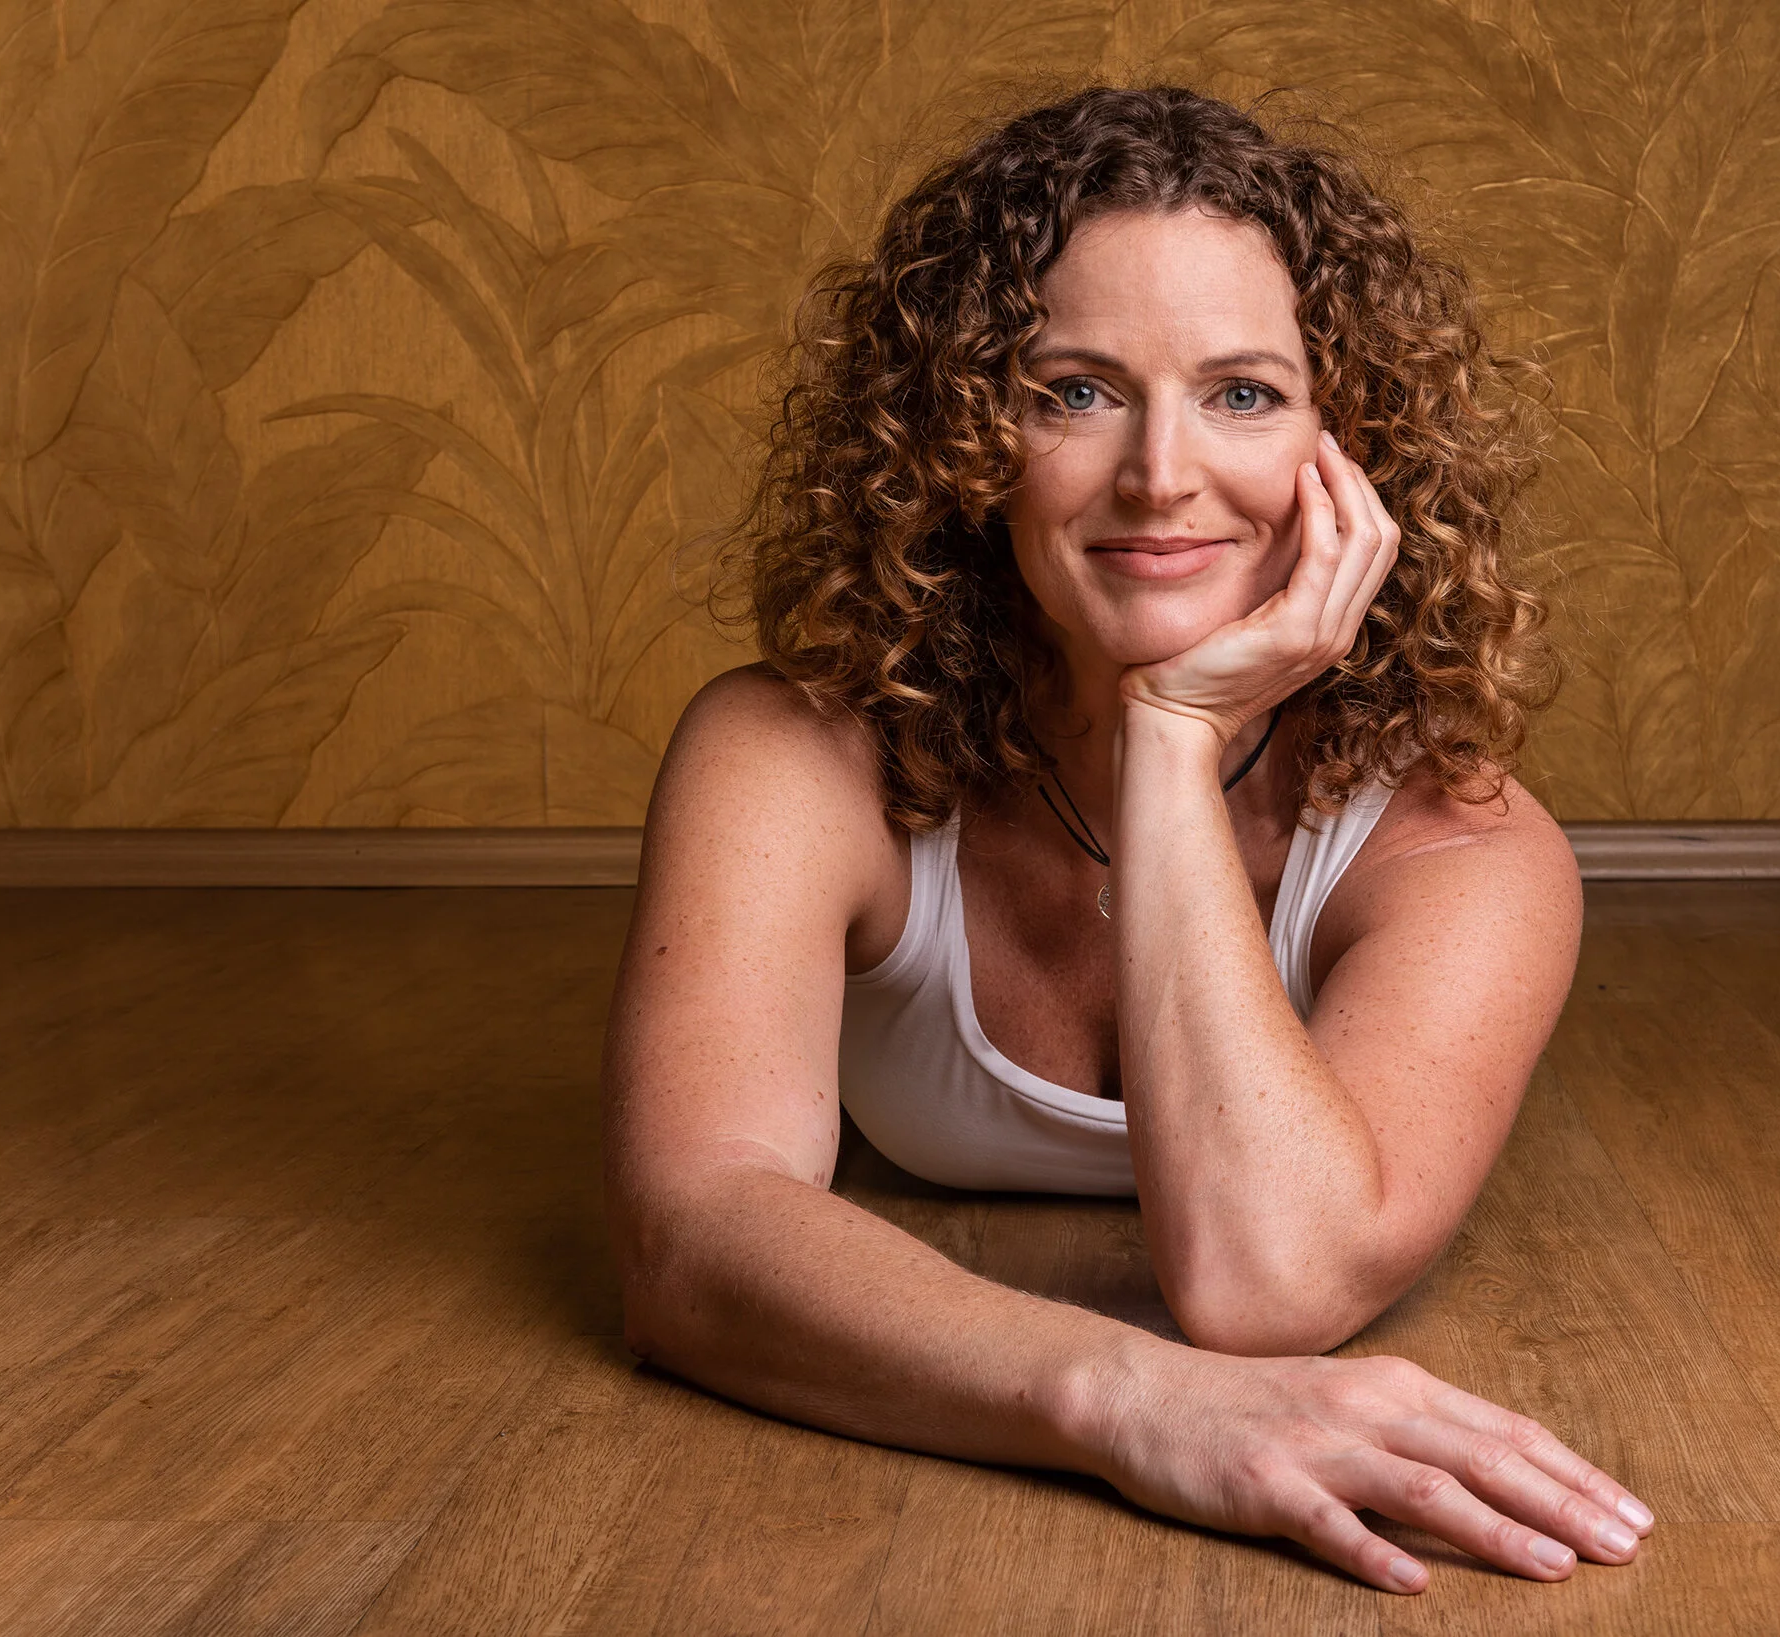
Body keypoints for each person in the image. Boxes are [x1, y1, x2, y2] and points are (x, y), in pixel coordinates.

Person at [602, 84, 1652, 1595]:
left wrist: (1168, 740)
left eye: (1245, 395)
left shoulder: (1463, 850)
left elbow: (1267, 1285)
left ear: (1352, 446)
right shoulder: (791, 756)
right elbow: (689, 1242)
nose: (1162, 475)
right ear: (963, 437)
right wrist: (1130, 1402)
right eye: (1076, 392)